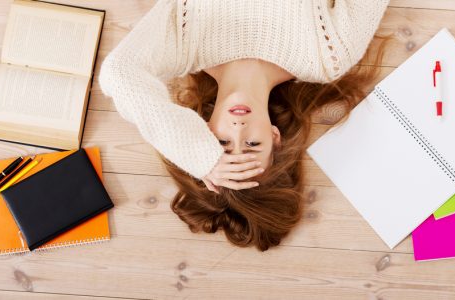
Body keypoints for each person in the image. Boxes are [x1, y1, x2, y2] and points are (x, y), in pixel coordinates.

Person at [99, 0, 389, 251]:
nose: (238, 127)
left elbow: (118, 74)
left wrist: (198, 156)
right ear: (275, 137)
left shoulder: (184, 44)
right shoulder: (329, 56)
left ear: (201, 132)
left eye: (222, 144)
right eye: (252, 145)